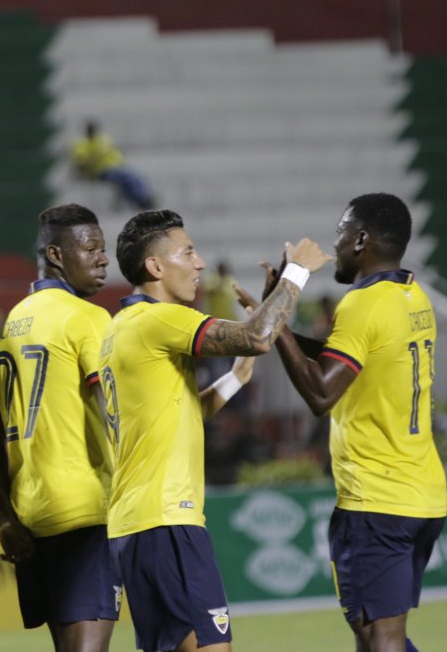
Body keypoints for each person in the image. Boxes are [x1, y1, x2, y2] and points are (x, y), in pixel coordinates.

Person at [97, 209, 331, 652]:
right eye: (188, 251)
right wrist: (297, 272)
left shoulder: (120, 329)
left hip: (135, 526)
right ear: (155, 266)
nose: (200, 263)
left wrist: (236, 377)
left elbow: (176, 414)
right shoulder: (160, 318)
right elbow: (258, 337)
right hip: (168, 521)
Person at [237, 193, 447, 652]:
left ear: (362, 240)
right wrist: (280, 324)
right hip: (423, 495)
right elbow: (346, 360)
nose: (335, 244)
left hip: (379, 499)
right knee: (376, 634)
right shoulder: (413, 296)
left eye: (341, 233)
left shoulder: (361, 304)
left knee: (380, 638)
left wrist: (275, 325)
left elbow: (320, 393)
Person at [0, 204, 119, 652]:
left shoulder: (14, 321)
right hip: (85, 510)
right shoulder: (87, 318)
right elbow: (118, 415)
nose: (103, 259)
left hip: (30, 516)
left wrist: (5, 519)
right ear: (55, 254)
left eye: (104, 249)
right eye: (90, 249)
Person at [71, 120, 154, 211]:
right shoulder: (81, 144)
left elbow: (112, 151)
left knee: (134, 177)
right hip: (99, 172)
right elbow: (81, 162)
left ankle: (141, 198)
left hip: (115, 168)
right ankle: (141, 200)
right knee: (128, 178)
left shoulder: (102, 139)